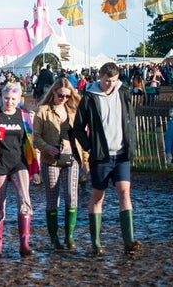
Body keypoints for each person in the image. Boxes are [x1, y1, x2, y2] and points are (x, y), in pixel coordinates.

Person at [73, 62, 142, 255]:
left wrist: (132, 142)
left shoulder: (124, 92)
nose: (110, 84)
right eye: (107, 80)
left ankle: (129, 240)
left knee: (124, 192)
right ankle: (96, 242)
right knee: (98, 196)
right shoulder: (89, 98)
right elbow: (78, 128)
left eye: (114, 80)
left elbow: (131, 118)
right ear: (100, 77)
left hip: (121, 153)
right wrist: (89, 147)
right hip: (101, 156)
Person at [0, 82, 40, 258]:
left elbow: (31, 144)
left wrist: (35, 169)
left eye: (13, 99)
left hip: (19, 163)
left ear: (19, 99)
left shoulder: (24, 117)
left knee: (25, 202)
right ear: (1, 98)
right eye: (6, 98)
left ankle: (24, 244)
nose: (9, 102)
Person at [34, 78, 86, 250]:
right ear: (53, 93)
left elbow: (80, 135)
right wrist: (47, 148)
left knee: (72, 196)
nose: (63, 98)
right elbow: (37, 138)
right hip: (50, 159)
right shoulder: (43, 110)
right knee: (52, 199)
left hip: (71, 157)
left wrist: (85, 159)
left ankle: (69, 236)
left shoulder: (73, 111)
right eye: (60, 95)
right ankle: (54, 237)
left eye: (66, 96)